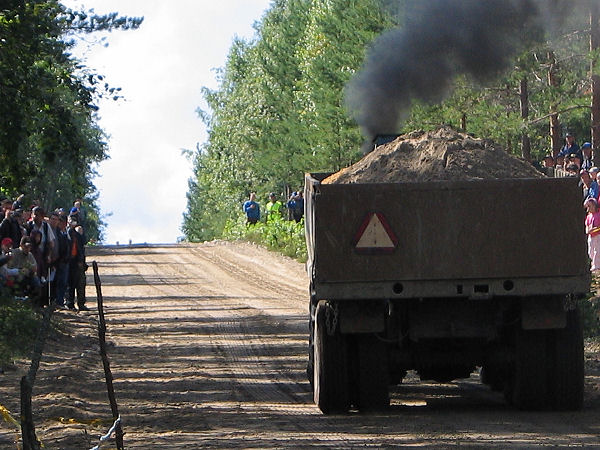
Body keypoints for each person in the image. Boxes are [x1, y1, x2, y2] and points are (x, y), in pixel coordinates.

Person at [7, 236, 41, 301]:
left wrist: (30, 268)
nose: (28, 249)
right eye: (26, 247)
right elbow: (9, 267)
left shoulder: (30, 255)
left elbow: (35, 267)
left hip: (27, 275)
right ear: (21, 245)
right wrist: (20, 269)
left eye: (29, 247)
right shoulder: (14, 253)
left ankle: (33, 301)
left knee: (36, 282)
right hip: (15, 276)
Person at [66, 214, 87, 311]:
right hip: (69, 262)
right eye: (71, 220)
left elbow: (82, 247)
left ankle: (81, 303)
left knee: (81, 283)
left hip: (78, 262)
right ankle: (70, 303)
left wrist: (81, 261)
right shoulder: (66, 234)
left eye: (74, 220)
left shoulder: (77, 235)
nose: (72, 222)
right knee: (70, 284)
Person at [585, 197, 600, 272]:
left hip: (598, 235)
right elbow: (587, 225)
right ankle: (591, 263)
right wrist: (588, 231)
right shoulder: (588, 216)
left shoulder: (598, 215)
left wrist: (594, 229)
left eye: (590, 206)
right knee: (590, 250)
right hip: (591, 236)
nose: (589, 208)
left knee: (597, 250)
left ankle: (596, 266)